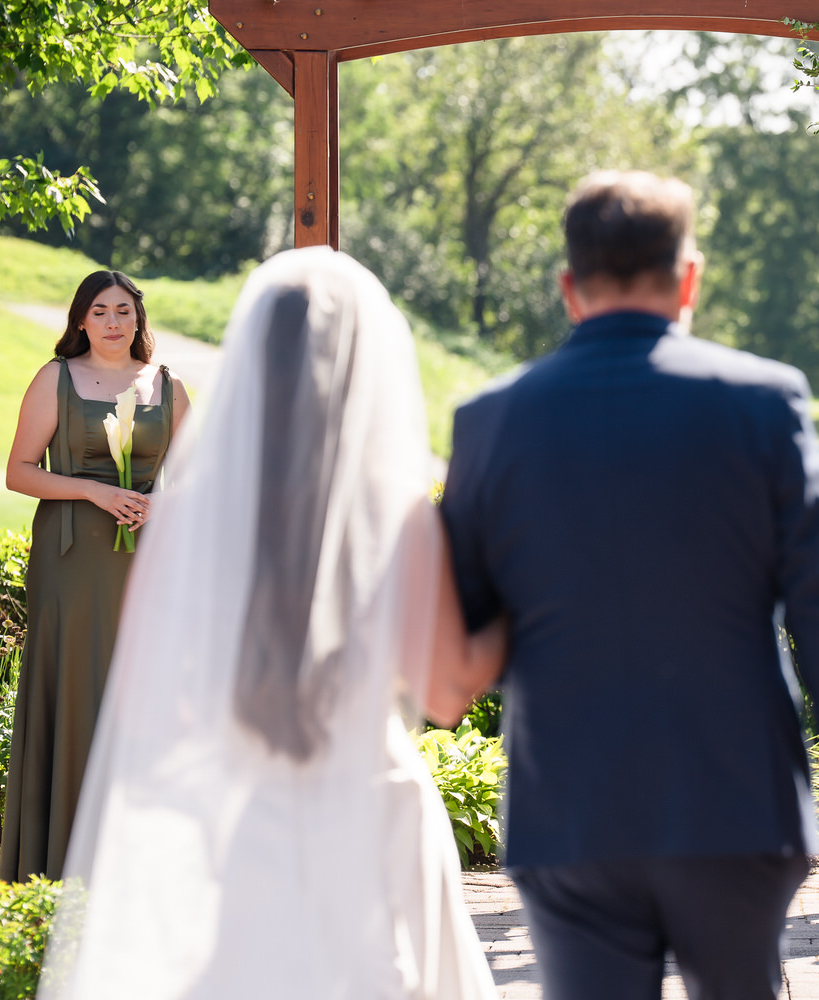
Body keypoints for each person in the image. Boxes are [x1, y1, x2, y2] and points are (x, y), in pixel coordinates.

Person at [439, 170, 819, 1000]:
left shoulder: (489, 420)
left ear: (567, 288)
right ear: (689, 279)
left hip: (569, 808)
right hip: (735, 802)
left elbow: (470, 632)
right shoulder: (765, 403)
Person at [36, 248, 502, 999]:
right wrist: (510, 618)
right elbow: (446, 694)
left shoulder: (187, 514)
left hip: (246, 820)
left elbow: (156, 690)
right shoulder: (395, 513)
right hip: (375, 807)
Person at [0, 270, 190, 881]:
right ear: (81, 319)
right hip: (72, 560)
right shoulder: (55, 379)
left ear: (140, 320)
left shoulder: (168, 385)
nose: (114, 322)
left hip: (150, 561)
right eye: (101, 311)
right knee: (78, 686)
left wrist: (160, 503)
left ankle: (141, 869)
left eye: (125, 312)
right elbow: (20, 472)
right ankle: (59, 865)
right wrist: (92, 492)